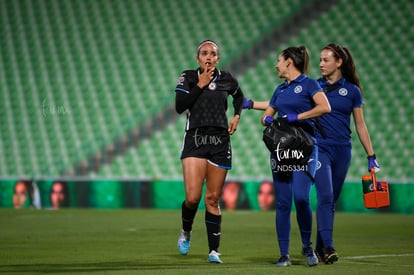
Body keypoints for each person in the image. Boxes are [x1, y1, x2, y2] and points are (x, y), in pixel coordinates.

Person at [244, 46, 331, 267]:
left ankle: (307, 247)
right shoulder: (279, 90)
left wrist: (296, 117)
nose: (276, 65)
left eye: (279, 61)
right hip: (282, 151)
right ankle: (284, 255)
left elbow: (325, 107)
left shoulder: (310, 84)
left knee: (301, 198)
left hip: (305, 150)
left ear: (289, 62)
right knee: (282, 203)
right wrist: (266, 120)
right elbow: (267, 114)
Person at [174, 40, 245, 264]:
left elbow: (239, 97)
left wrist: (236, 116)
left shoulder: (227, 79)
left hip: (220, 140)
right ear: (197, 58)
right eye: (204, 53)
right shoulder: (188, 76)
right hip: (195, 138)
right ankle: (186, 231)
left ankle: (214, 251)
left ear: (217, 58)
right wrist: (201, 84)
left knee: (213, 198)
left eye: (212, 54)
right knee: (193, 198)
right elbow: (179, 106)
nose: (208, 57)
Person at [312, 43, 381, 264]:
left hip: (343, 150)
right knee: (324, 196)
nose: (321, 64)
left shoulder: (352, 91)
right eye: (320, 60)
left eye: (326, 60)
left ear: (339, 62)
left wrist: (371, 155)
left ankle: (319, 249)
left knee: (331, 200)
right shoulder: (314, 86)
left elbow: (360, 125)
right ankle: (329, 247)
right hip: (319, 148)